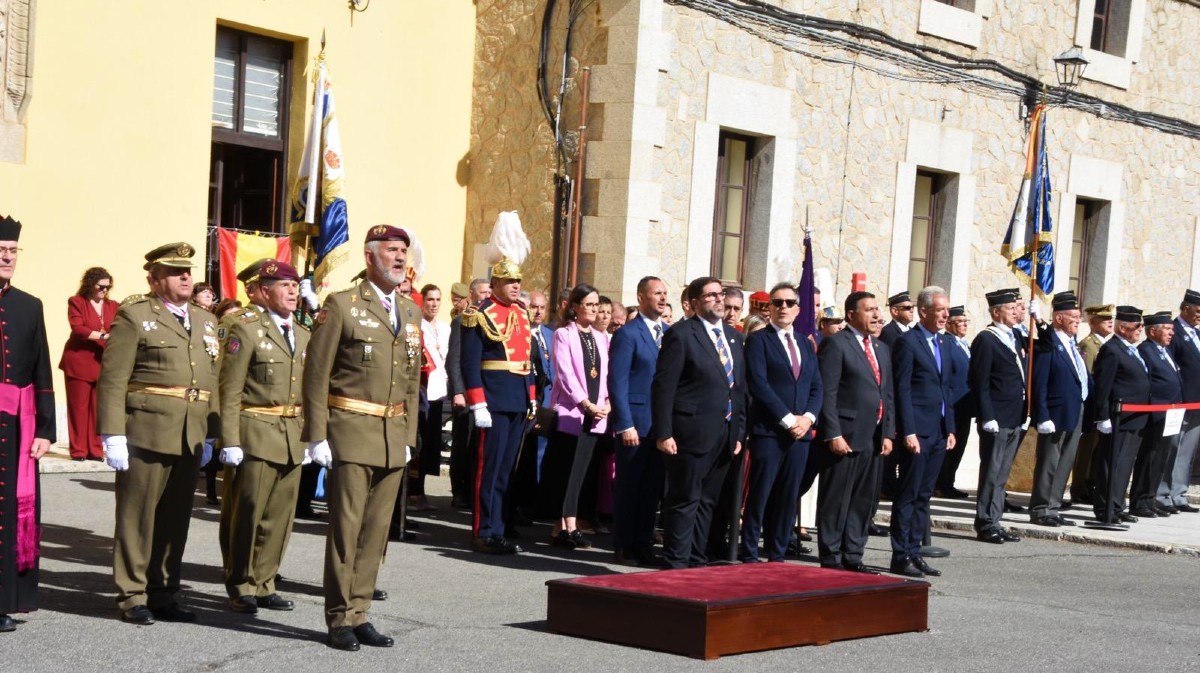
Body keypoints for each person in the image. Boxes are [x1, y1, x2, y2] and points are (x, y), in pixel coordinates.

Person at [302, 225, 421, 651]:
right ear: (370, 256)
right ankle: (338, 618)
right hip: (350, 430)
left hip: (391, 435)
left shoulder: (409, 311)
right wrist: (317, 435)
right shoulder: (343, 306)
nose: (400, 258)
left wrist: (409, 435)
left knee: (376, 533)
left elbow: (410, 380)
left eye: (404, 251)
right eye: (392, 250)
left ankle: (360, 611)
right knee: (346, 531)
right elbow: (316, 374)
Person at [98, 241, 219, 625]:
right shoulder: (135, 316)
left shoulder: (205, 320)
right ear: (154, 278)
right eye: (174, 271)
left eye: (188, 271)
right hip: (146, 431)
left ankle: (164, 591)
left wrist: (212, 433)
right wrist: (112, 434)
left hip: (189, 433)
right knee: (137, 517)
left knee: (175, 518)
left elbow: (210, 380)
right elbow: (114, 380)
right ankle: (133, 594)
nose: (186, 276)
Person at [217, 260, 308, 614]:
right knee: (246, 514)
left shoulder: (302, 333)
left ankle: (265, 581)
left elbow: (309, 389)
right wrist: (230, 440)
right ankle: (240, 583)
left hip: (292, 435)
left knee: (279, 517)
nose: (292, 293)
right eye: (284, 286)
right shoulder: (245, 328)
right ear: (265, 290)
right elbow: (229, 389)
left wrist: (315, 436)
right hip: (254, 432)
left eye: (295, 287)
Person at [651, 277, 747, 569]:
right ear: (694, 303)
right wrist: (664, 432)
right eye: (711, 296)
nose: (719, 300)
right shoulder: (682, 334)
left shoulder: (733, 337)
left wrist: (739, 430)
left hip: (725, 433)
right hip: (690, 432)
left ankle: (696, 559)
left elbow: (739, 388)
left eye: (721, 294)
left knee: (708, 501)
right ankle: (676, 563)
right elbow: (664, 387)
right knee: (685, 499)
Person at [461, 213, 536, 555]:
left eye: (517, 282)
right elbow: (469, 361)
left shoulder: (521, 313)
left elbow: (527, 359)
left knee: (508, 469)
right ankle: (483, 530)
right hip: (492, 400)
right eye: (509, 282)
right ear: (495, 285)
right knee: (488, 469)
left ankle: (501, 526)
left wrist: (531, 396)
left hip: (518, 399)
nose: (515, 287)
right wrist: (477, 402)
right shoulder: (480, 313)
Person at [0, 216, 55, 634]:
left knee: (9, 515)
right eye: (1, 250)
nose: (7, 256)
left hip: (18, 430)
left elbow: (41, 372)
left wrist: (45, 430)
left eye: (13, 250)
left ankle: (4, 600)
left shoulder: (29, 304)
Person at [740, 282, 822, 563]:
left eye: (789, 302)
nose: (783, 307)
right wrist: (788, 420)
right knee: (761, 493)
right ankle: (750, 551)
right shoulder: (759, 340)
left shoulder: (804, 343)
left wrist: (808, 419)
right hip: (770, 431)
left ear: (798, 309)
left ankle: (777, 552)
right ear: (769, 309)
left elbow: (816, 385)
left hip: (801, 434)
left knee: (788, 495)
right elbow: (759, 384)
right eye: (777, 303)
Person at [815, 291, 894, 572]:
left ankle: (853, 555)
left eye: (877, 309)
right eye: (869, 310)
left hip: (873, 436)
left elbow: (887, 393)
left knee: (863, 499)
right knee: (837, 498)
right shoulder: (836, 345)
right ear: (851, 315)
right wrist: (833, 434)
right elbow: (828, 393)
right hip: (845, 435)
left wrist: (888, 433)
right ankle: (832, 556)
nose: (876, 315)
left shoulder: (881, 348)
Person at [888, 286, 955, 578]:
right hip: (918, 431)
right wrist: (909, 430)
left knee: (924, 495)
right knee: (909, 494)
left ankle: (915, 552)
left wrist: (950, 427)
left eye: (947, 309)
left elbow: (945, 388)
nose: (945, 315)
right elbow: (901, 388)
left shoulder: (944, 343)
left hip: (938, 431)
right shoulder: (908, 342)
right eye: (940, 309)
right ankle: (900, 554)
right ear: (924, 311)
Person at [543, 285, 611, 549]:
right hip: (572, 411)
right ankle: (561, 526)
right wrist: (585, 403)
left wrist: (606, 403)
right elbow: (565, 373)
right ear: (575, 306)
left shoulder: (601, 338)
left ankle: (572, 523)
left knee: (582, 471)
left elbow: (605, 375)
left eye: (597, 305)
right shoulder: (563, 334)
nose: (595, 309)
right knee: (566, 470)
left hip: (596, 413)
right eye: (590, 304)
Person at [609, 276, 669, 567]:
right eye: (656, 293)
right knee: (630, 485)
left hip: (660, 426)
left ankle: (644, 541)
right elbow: (617, 382)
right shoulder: (629, 334)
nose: (662, 298)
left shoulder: (669, 333)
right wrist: (624, 423)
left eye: (664, 294)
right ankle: (624, 543)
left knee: (652, 488)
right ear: (641, 296)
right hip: (635, 423)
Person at [968, 289, 1026, 544]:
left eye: (1017, 308)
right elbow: (979, 382)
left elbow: (1045, 345)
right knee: (991, 472)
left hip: (1015, 415)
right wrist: (987, 415)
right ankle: (984, 522)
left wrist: (1040, 320)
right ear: (995, 312)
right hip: (997, 417)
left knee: (1002, 474)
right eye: (1010, 308)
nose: (1016, 312)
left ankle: (995, 519)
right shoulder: (986, 339)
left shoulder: (1014, 337)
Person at [1029, 291, 1089, 527]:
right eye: (1073, 316)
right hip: (1055, 413)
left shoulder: (1072, 343)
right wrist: (1042, 415)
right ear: (1059, 318)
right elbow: (1040, 381)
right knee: (1049, 462)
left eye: (1078, 316)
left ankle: (1053, 505)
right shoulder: (1050, 343)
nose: (1077, 320)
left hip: (1076, 410)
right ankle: (1041, 507)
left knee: (1065, 462)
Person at [1090, 306, 1151, 525]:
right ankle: (1105, 507)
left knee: (1124, 464)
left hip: (1134, 418)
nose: (1140, 331)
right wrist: (1102, 416)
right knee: (1111, 464)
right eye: (1138, 326)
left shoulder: (1131, 350)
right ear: (1123, 328)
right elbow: (1103, 385)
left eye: (1142, 326)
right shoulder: (1112, 349)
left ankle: (1117, 505)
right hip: (1118, 418)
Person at [58, 266, 117, 461]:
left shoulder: (113, 306)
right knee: (79, 408)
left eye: (108, 287)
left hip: (101, 362)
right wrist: (104, 336)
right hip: (79, 361)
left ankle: (95, 449)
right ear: (91, 284)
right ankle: (78, 450)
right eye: (101, 286)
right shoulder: (77, 302)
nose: (105, 291)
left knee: (97, 409)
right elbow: (78, 328)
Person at [1129, 311, 1181, 518]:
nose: (1171, 334)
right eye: (1167, 329)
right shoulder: (1146, 350)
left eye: (1172, 330)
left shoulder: (1164, 351)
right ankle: (1139, 500)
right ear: (1153, 331)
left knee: (1161, 458)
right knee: (1149, 457)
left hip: (1170, 414)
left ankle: (1150, 498)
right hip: (1154, 414)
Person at [447, 279, 490, 509]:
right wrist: (458, 391)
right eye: (482, 292)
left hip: (483, 392)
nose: (486, 296)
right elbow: (454, 358)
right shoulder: (462, 320)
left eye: (489, 292)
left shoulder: (490, 320)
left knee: (477, 444)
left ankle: (474, 487)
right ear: (472, 295)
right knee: (463, 443)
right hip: (465, 392)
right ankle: (459, 490)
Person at [1069, 303, 1114, 504]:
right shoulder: (1089, 344)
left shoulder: (1104, 344)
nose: (1110, 323)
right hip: (1092, 405)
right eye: (1105, 320)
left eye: (1111, 319)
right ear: (1094, 323)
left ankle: (1090, 483)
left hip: (1101, 406)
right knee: (1086, 449)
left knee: (1096, 449)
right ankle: (1079, 487)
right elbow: (1089, 378)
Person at [411, 283, 450, 513]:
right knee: (420, 445)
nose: (434, 304)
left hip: (440, 392)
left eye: (437, 300)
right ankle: (415, 492)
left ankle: (421, 490)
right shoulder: (418, 326)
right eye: (430, 300)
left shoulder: (444, 328)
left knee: (432, 446)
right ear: (422, 301)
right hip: (424, 392)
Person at [1166, 291, 1200, 513]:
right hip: (1179, 401)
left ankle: (1178, 493)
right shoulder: (1172, 332)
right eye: (1197, 311)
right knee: (1172, 448)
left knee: (1187, 451)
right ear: (1185, 308)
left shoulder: (1196, 333)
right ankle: (1164, 493)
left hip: (1196, 402)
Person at [937, 305, 973, 498]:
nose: (964, 325)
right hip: (953, 403)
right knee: (950, 446)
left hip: (965, 406)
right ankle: (942, 483)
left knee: (959, 446)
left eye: (966, 322)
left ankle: (949, 480)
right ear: (949, 324)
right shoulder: (947, 343)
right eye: (960, 322)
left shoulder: (963, 343)